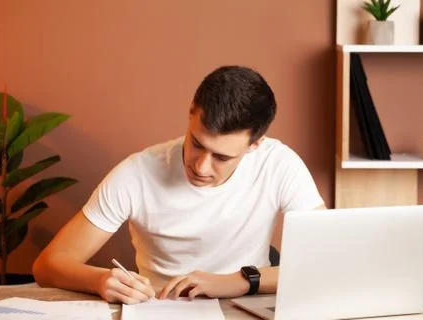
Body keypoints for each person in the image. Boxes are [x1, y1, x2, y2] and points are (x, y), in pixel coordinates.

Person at [33, 65, 325, 304]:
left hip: (249, 304)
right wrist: (99, 281)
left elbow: (325, 260)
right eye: (197, 143)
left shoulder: (279, 164)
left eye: (222, 157)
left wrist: (236, 281)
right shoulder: (137, 173)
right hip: (163, 310)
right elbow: (47, 265)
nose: (201, 166)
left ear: (256, 144)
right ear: (191, 111)